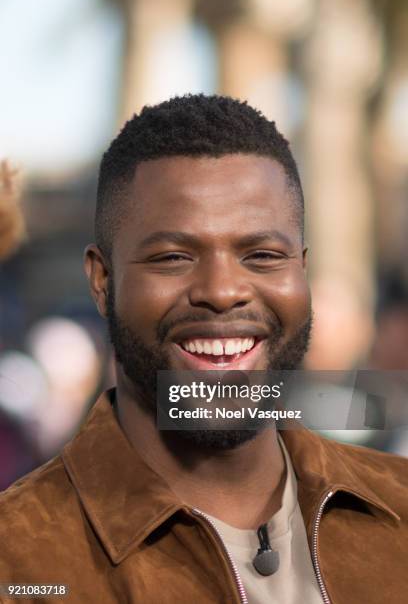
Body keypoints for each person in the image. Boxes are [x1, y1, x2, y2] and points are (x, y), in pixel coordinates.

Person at [0, 95, 407, 604]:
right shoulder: (16, 561)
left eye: (261, 255)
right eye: (173, 257)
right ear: (102, 280)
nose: (221, 290)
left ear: (301, 269)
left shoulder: (399, 512)